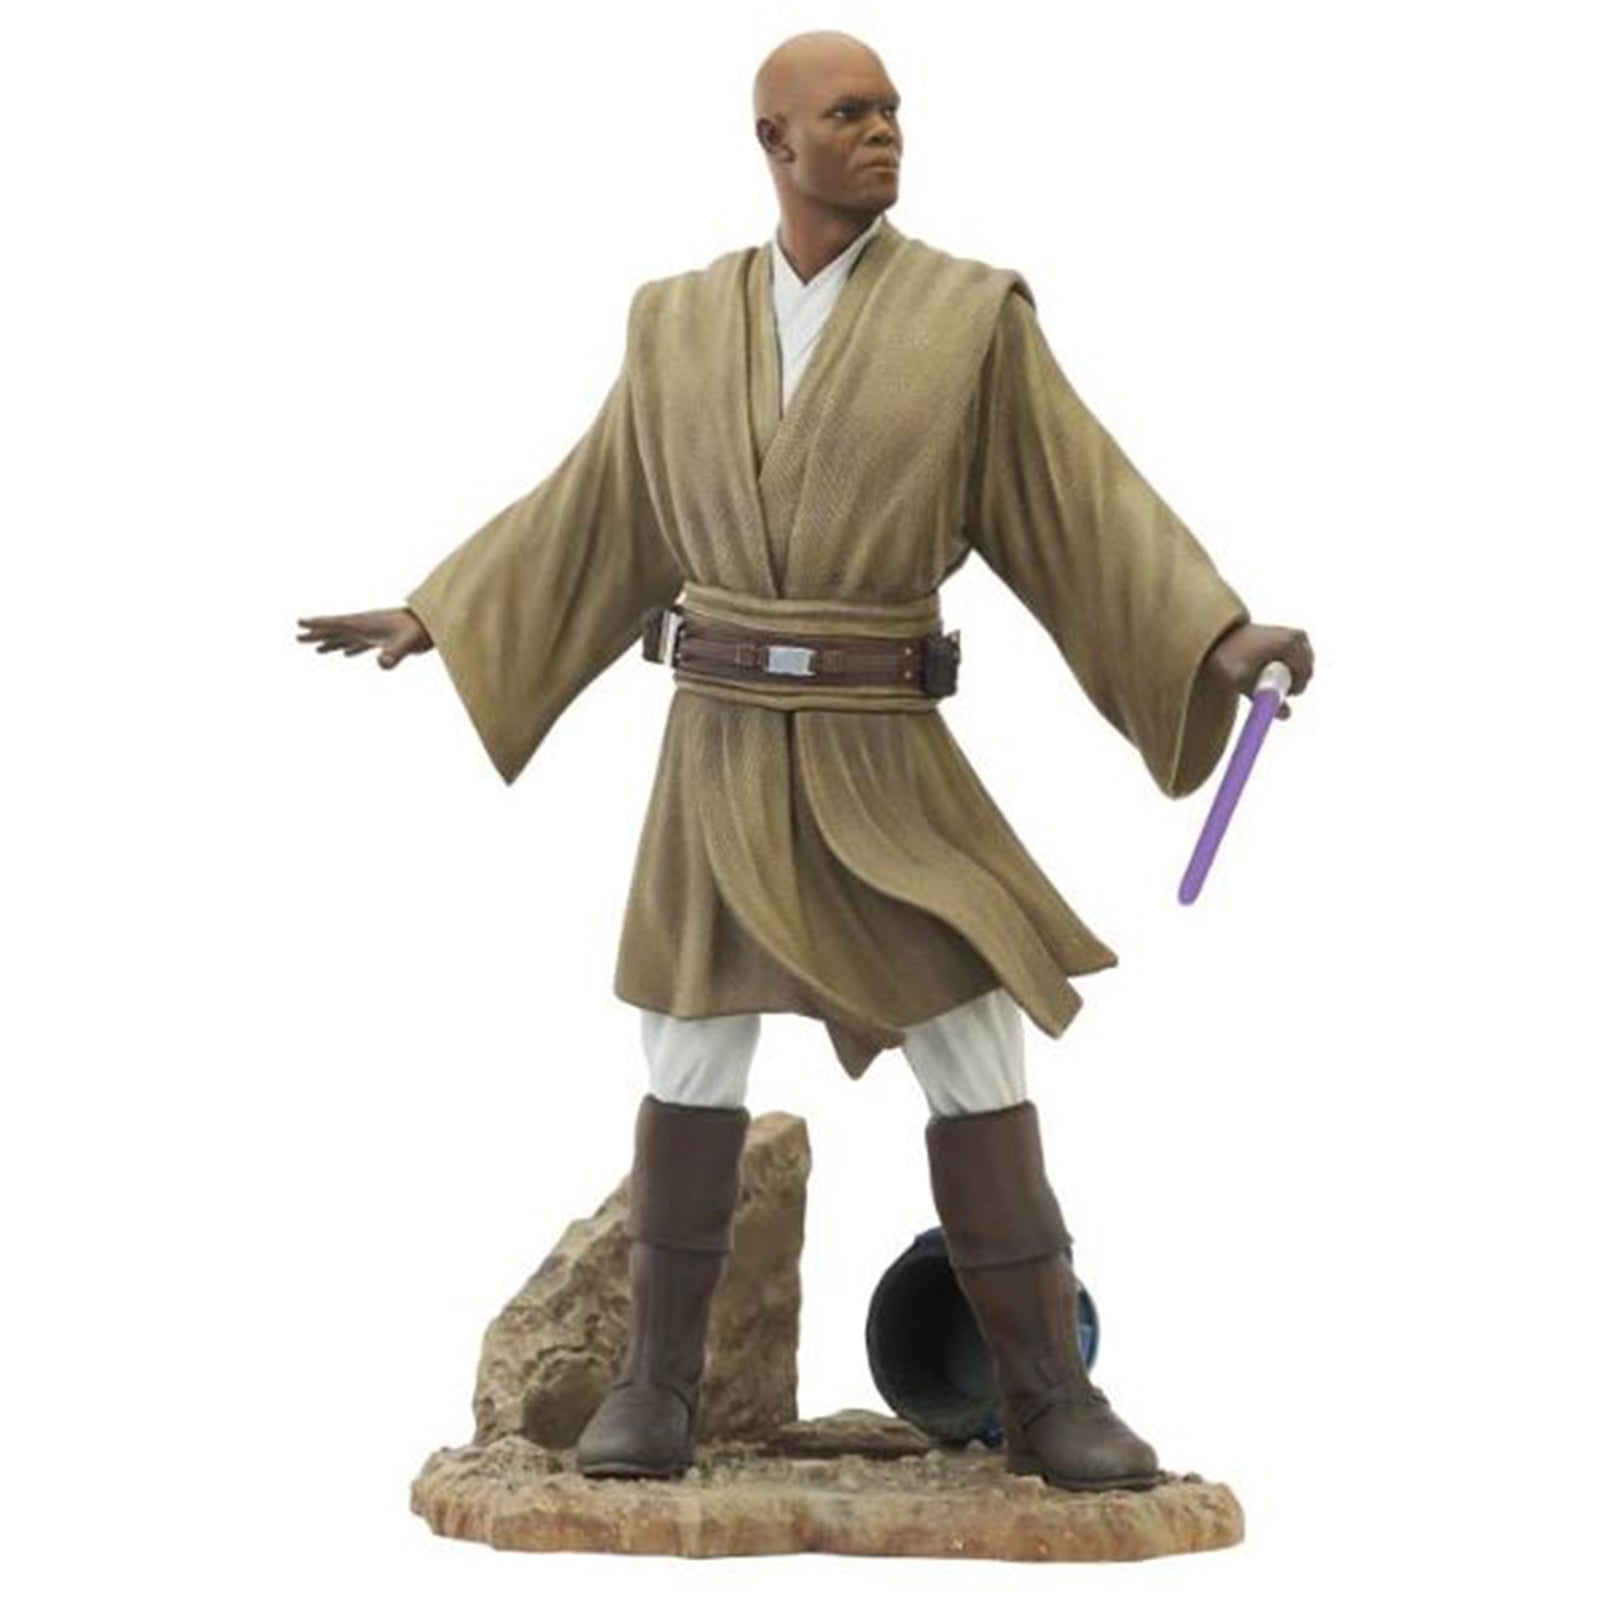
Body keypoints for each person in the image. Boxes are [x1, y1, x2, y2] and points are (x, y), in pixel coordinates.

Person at [299, 31, 1314, 1493]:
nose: (883, 131)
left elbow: (1084, 502)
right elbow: (598, 505)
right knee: (688, 1043)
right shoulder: (674, 325)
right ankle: (656, 1385)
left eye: (892, 110)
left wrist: (1212, 636)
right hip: (715, 752)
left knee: (974, 1028)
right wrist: (445, 612)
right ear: (775, 142)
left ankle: (1046, 1393)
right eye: (849, 113)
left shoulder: (966, 321)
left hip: (880, 752)